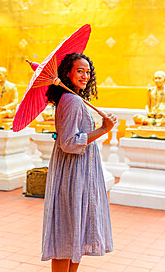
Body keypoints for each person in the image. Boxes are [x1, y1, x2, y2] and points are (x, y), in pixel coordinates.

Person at [41, 53, 117, 272]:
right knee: (66, 232)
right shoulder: (72, 101)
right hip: (73, 173)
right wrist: (103, 129)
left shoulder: (73, 99)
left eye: (88, 71)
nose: (85, 75)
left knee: (76, 229)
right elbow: (69, 142)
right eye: (79, 71)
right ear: (67, 73)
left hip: (80, 171)